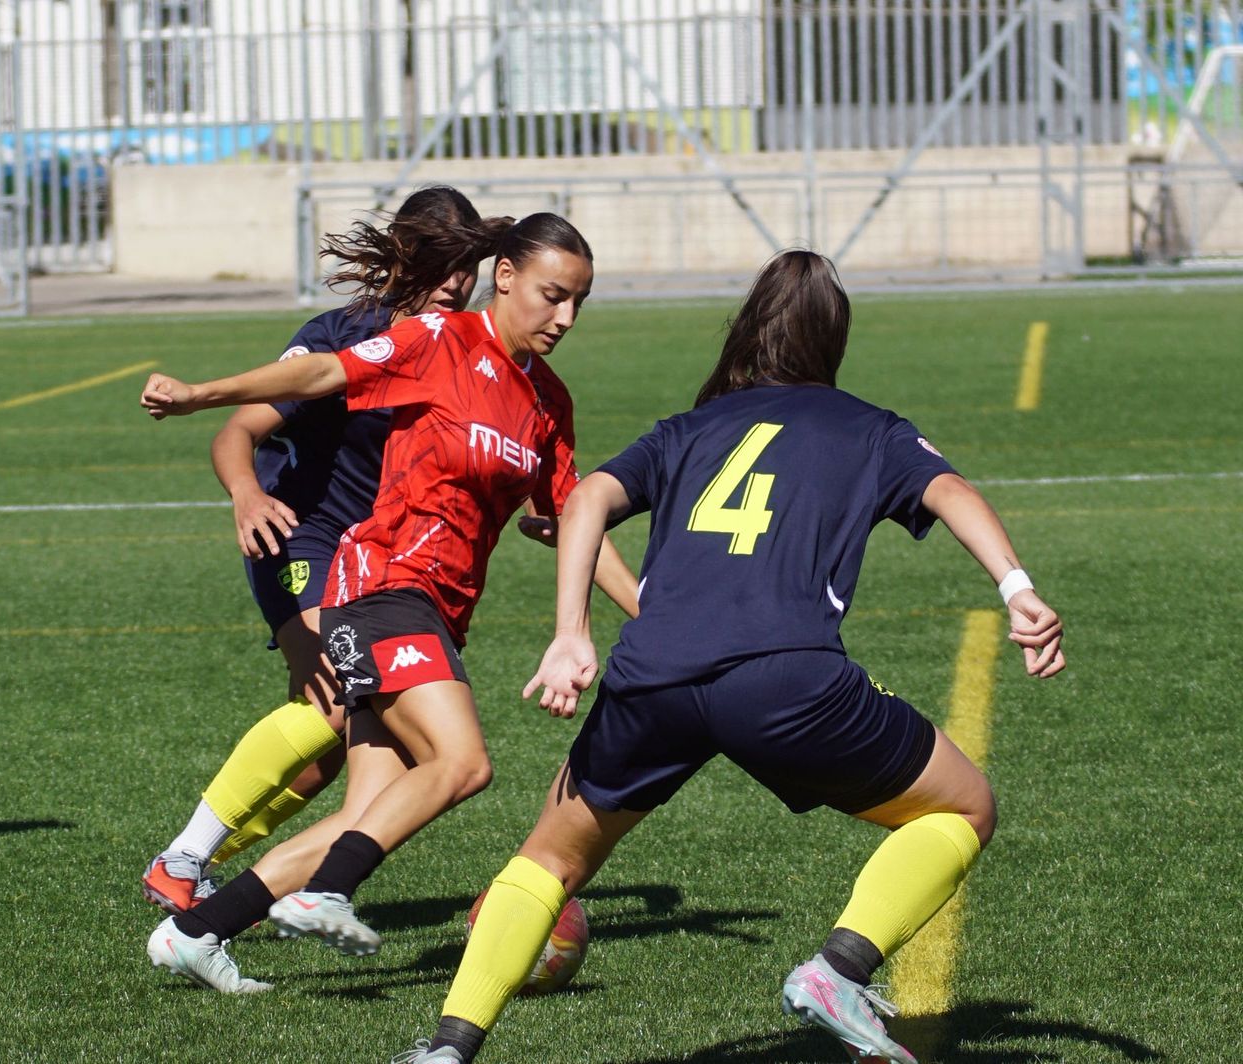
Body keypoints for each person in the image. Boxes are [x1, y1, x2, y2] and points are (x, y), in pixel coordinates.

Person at [394, 250, 1066, 1064]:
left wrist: (572, 631)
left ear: (748, 330)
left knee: (550, 857)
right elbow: (950, 490)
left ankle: (447, 1049)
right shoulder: (867, 426)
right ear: (833, 339)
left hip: (654, 675)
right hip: (786, 676)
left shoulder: (688, 429)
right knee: (964, 807)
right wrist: (1017, 586)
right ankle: (839, 970)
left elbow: (586, 497)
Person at [139, 213, 624, 993]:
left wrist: (649, 608)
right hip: (380, 585)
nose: (565, 317)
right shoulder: (437, 340)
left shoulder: (546, 399)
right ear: (505, 279)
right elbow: (321, 374)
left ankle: (195, 931)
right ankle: (320, 888)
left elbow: (576, 515)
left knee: (362, 816)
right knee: (462, 763)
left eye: (579, 302)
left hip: (438, 611)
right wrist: (203, 395)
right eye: (552, 295)